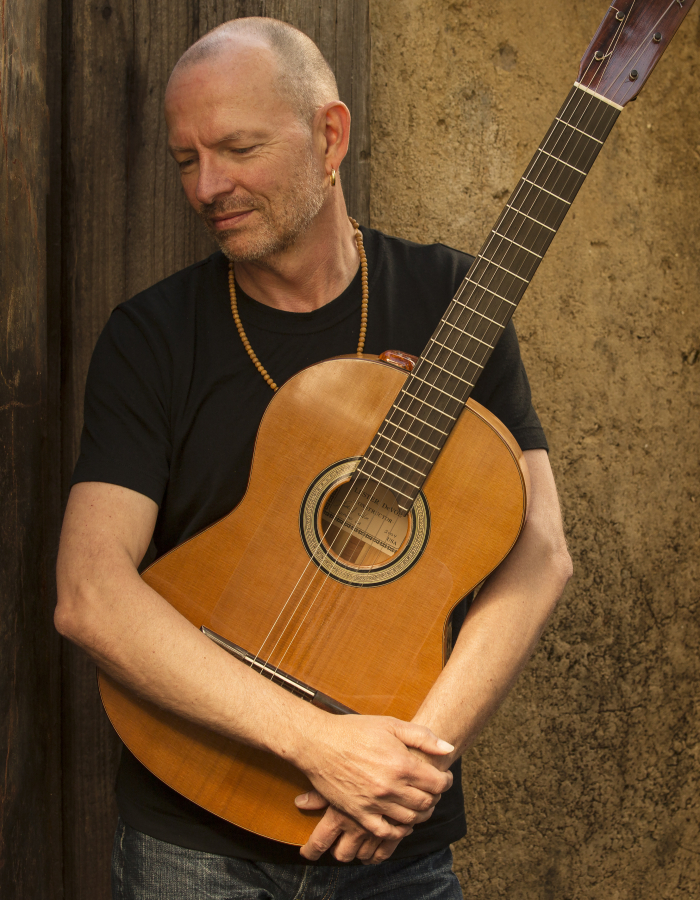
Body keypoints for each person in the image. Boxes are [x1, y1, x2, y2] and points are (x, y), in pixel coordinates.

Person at [55, 16, 572, 900]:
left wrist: (407, 768)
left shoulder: (452, 300)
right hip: (191, 845)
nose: (207, 186)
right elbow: (89, 594)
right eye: (186, 160)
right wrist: (320, 744)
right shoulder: (151, 338)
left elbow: (541, 554)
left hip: (392, 841)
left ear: (330, 136)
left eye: (238, 149)